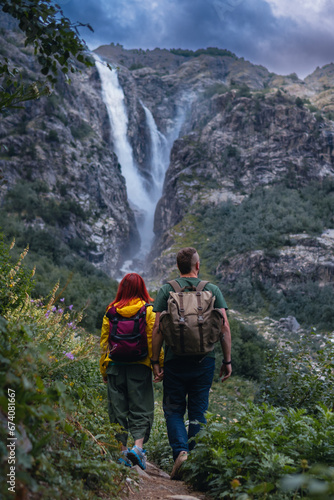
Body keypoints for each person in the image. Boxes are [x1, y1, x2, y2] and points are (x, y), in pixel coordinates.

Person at [151, 247, 232, 479]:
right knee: (198, 410)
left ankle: (181, 454)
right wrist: (227, 360)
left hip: (175, 360)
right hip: (204, 360)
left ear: (178, 267)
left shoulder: (167, 289)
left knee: (174, 409)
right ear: (197, 266)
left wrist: (156, 361)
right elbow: (224, 328)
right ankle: (194, 463)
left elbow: (158, 329)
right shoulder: (212, 289)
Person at [100, 272, 163, 470]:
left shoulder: (111, 311)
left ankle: (120, 452)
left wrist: (104, 368)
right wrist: (157, 364)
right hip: (140, 365)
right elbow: (154, 338)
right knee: (141, 407)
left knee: (117, 410)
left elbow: (104, 342)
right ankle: (137, 449)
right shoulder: (148, 310)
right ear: (142, 288)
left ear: (122, 289)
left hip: (115, 367)